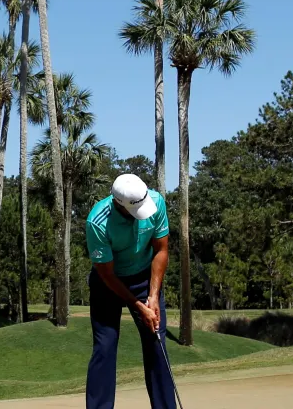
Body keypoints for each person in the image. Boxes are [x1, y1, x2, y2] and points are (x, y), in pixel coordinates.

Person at [85, 174, 175, 409]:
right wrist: (137, 305)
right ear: (118, 204)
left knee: (156, 343)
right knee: (105, 347)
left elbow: (161, 250)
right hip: (109, 283)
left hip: (145, 277)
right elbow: (106, 274)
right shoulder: (98, 222)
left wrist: (153, 295)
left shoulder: (155, 203)